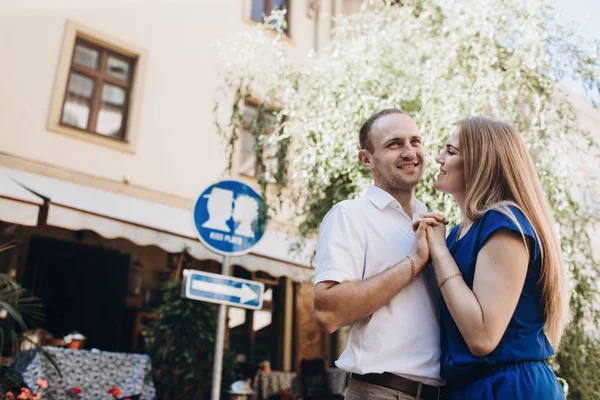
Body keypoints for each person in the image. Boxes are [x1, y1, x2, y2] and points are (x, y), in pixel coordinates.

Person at [418, 116, 567, 399]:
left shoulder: (503, 223)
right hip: (469, 387)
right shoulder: (458, 234)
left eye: (451, 151)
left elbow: (482, 337)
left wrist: (438, 252)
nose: (438, 158)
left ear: (480, 162)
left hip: (508, 387)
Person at [313, 108, 445, 400]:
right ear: (366, 159)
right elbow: (327, 312)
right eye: (394, 144)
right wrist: (413, 262)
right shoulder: (350, 215)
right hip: (383, 392)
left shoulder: (434, 222)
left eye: (416, 141)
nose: (410, 152)